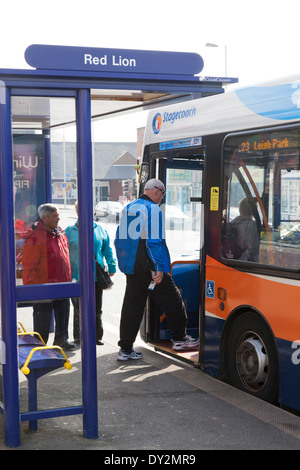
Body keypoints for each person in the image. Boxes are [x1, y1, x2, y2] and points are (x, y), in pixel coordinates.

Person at [115, 178, 199, 361]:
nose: (162, 197)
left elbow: (120, 240)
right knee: (174, 300)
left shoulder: (128, 208)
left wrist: (126, 264)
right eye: (163, 193)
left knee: (132, 308)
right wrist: (159, 268)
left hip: (133, 268)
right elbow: (154, 242)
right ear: (155, 191)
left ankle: (125, 349)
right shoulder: (153, 209)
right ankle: (180, 338)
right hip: (150, 268)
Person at [22, 203, 75, 350]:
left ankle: (61, 339)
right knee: (42, 319)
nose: (59, 218)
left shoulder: (60, 232)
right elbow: (29, 265)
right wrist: (33, 290)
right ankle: (40, 346)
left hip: (62, 283)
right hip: (43, 287)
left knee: (63, 313)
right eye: (55, 216)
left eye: (58, 215)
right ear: (45, 218)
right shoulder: (35, 237)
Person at [65, 201, 116, 345]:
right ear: (76, 212)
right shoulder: (69, 230)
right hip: (76, 276)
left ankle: (96, 336)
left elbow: (107, 249)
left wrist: (111, 266)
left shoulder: (99, 229)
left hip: (95, 276)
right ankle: (78, 337)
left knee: (96, 308)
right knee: (78, 308)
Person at [230, 197, 260, 262]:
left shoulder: (233, 223)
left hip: (232, 258)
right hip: (244, 261)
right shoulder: (251, 225)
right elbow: (254, 248)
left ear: (240, 209)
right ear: (252, 211)